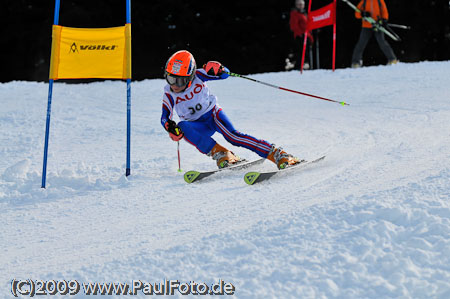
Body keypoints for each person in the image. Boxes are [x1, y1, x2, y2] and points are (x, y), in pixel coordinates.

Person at [161, 50, 301, 170]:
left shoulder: (200, 75)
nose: (174, 85)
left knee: (233, 137)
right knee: (182, 127)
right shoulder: (169, 93)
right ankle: (222, 154)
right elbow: (164, 118)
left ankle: (278, 154)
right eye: (170, 78)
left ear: (191, 76)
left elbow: (225, 74)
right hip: (197, 125)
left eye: (179, 81)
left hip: (213, 115)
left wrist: (218, 68)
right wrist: (171, 128)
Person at [351, 0, 398, 68]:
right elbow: (357, 13)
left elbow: (384, 11)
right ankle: (356, 62)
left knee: (382, 42)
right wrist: (363, 14)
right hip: (366, 26)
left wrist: (384, 20)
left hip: (377, 25)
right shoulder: (364, 1)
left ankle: (392, 59)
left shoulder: (380, 1)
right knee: (361, 43)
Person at [287, 0, 314, 70]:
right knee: (300, 52)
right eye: (299, 4)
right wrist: (300, 34)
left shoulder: (304, 13)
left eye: (302, 4)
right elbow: (294, 25)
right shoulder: (294, 13)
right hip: (300, 36)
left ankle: (306, 65)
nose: (301, 6)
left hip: (307, 36)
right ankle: (299, 66)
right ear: (296, 5)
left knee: (306, 52)